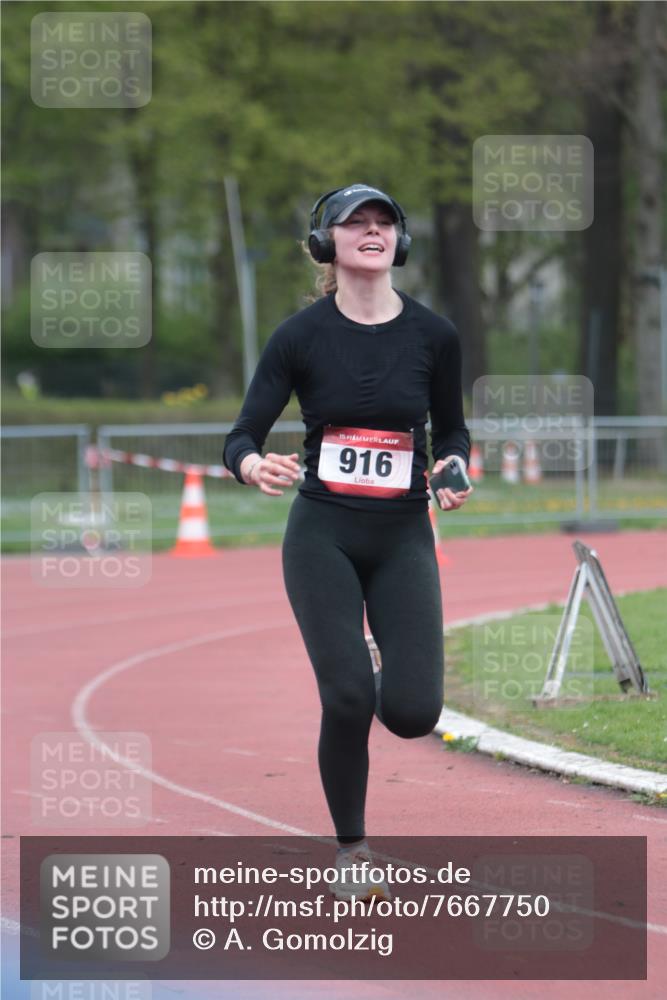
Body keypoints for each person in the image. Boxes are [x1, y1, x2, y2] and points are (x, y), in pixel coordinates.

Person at [223, 183, 473, 901]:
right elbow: (241, 434)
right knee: (346, 697)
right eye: (354, 222)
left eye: (383, 222)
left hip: (402, 537)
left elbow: (452, 430)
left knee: (413, 715)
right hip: (322, 536)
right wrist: (251, 464)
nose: (371, 231)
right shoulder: (299, 336)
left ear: (400, 240)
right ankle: (352, 852)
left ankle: (379, 661)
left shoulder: (434, 335)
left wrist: (453, 464)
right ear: (324, 243)